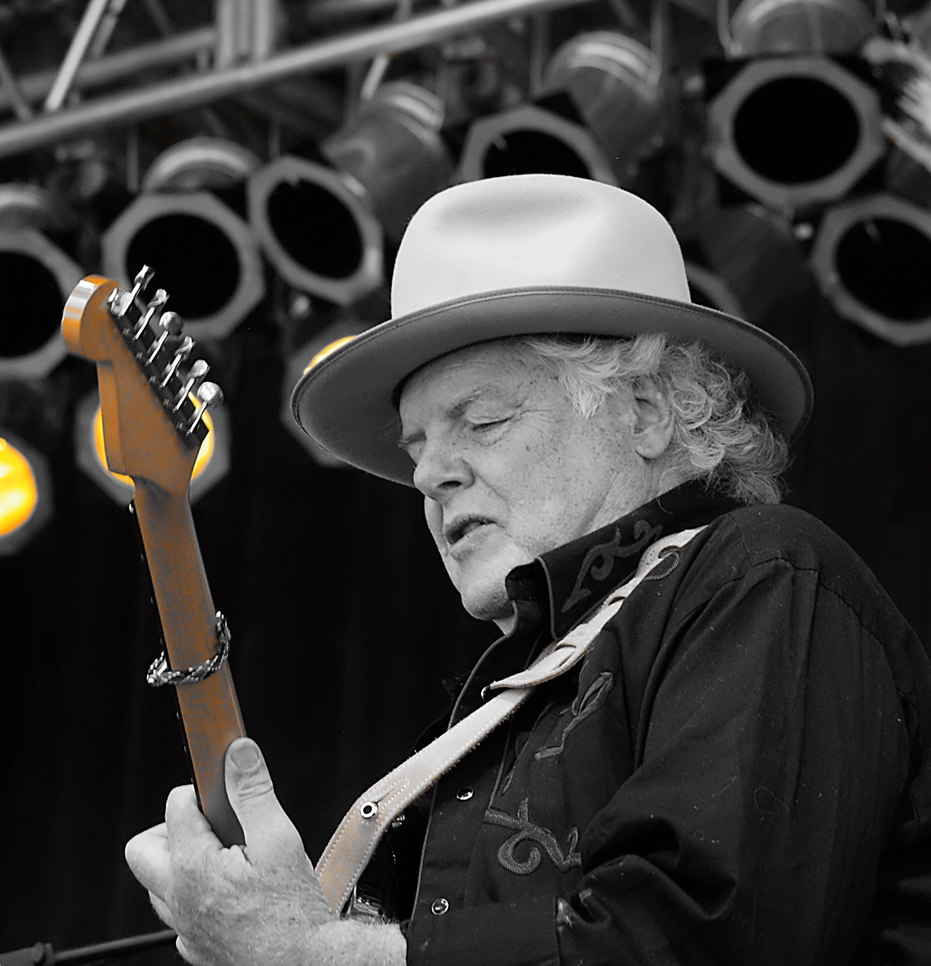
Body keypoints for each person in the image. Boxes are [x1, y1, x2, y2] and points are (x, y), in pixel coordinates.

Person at [123, 175, 931, 965]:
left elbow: (695, 937)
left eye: (482, 421)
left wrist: (306, 952)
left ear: (643, 413)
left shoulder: (761, 575)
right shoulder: (504, 702)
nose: (429, 475)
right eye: (416, 448)